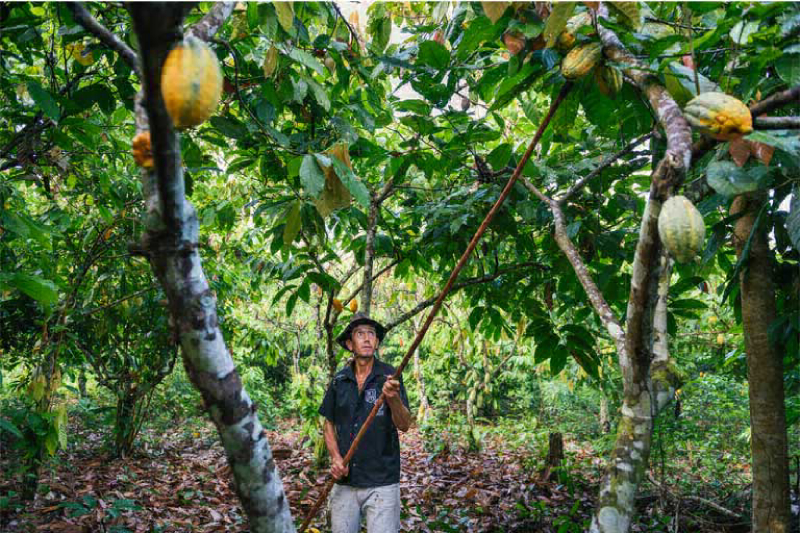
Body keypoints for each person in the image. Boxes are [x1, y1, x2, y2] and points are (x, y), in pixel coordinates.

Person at [318, 312, 412, 533]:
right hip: (345, 481)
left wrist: (393, 398)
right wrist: (336, 458)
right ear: (350, 344)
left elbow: (404, 424)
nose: (367, 338)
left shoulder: (390, 376)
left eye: (372, 334)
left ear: (377, 342)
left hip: (382, 481)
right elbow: (328, 423)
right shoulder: (339, 380)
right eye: (360, 334)